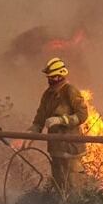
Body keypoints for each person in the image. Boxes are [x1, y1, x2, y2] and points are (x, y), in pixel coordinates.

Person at [29, 57, 88, 196]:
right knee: (59, 184)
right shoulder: (48, 94)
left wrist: (62, 120)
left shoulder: (70, 91)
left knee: (74, 184)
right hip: (55, 147)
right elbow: (41, 114)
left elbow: (82, 114)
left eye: (53, 77)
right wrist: (35, 128)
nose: (50, 80)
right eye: (49, 77)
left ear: (60, 75)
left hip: (71, 147)